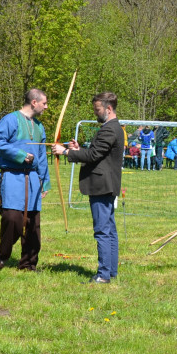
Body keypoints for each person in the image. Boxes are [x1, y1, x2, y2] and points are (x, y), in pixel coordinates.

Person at [53, 92, 124, 284]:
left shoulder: (110, 129)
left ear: (108, 109)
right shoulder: (112, 127)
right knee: (109, 229)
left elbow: (93, 156)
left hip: (102, 186)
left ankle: (103, 275)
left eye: (98, 109)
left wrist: (66, 151)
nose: (95, 113)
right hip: (106, 185)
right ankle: (110, 272)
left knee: (103, 230)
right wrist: (78, 150)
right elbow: (97, 153)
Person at [0, 89, 51, 271]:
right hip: (12, 175)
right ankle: (3, 255)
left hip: (33, 178)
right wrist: (20, 155)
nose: (46, 107)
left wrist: (44, 181)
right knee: (12, 218)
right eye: (44, 103)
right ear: (34, 102)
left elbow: (41, 156)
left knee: (33, 222)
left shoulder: (39, 127)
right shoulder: (10, 119)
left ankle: (28, 263)